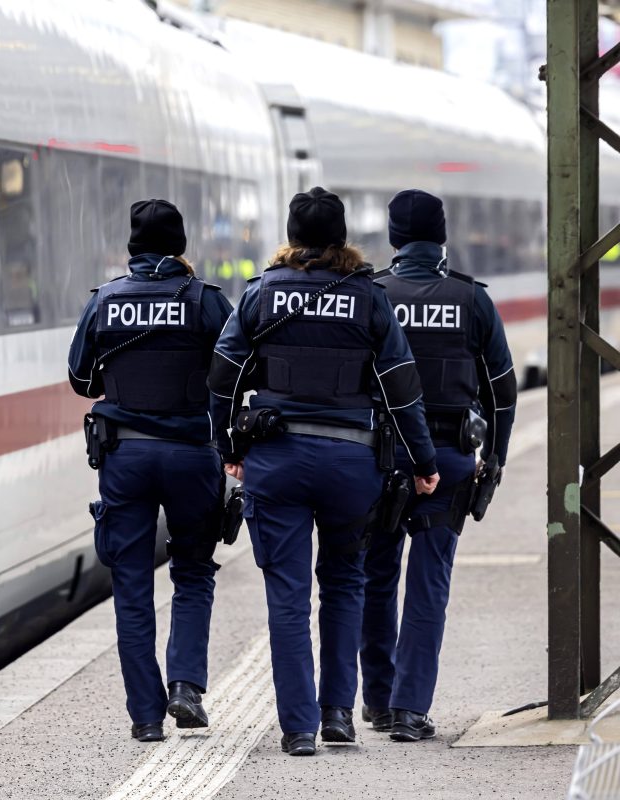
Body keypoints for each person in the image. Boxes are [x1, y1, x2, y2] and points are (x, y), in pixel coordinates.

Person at [207, 187, 439, 756]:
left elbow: (222, 377)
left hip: (277, 463)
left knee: (287, 596)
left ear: (292, 236)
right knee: (344, 584)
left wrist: (226, 447)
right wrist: (424, 462)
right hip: (350, 465)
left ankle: (299, 727)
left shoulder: (261, 294)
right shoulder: (366, 297)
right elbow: (403, 389)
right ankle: (338, 712)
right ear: (341, 239)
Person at [68, 199, 232, 742]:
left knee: (132, 585)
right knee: (192, 572)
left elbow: (80, 379)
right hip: (190, 456)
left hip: (126, 459)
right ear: (180, 247)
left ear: (133, 248)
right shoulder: (207, 302)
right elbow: (236, 367)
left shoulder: (105, 301)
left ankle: (144, 715)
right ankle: (185, 685)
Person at [359, 190, 516, 742]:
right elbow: (501, 390)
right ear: (442, 235)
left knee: (375, 576)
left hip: (378, 457)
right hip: (449, 457)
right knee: (429, 584)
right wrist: (494, 457)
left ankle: (377, 702)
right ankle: (409, 709)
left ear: (394, 238)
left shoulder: (372, 292)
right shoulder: (471, 300)